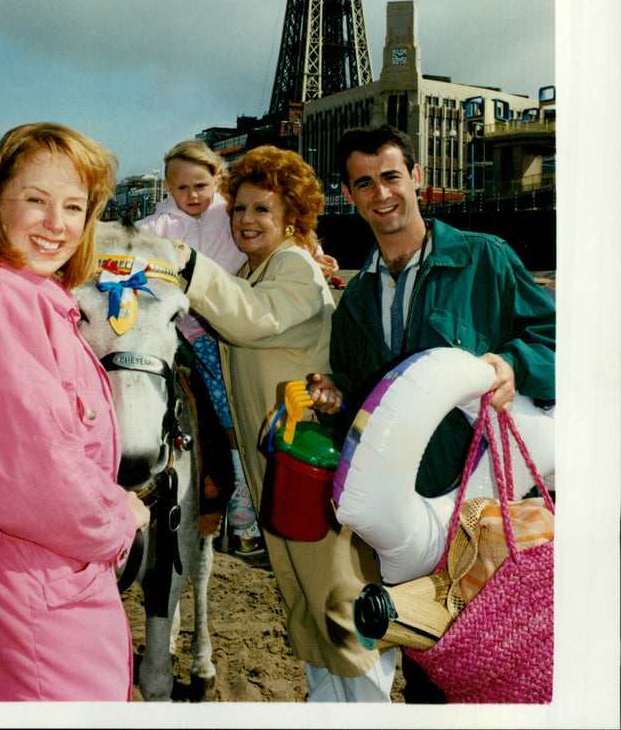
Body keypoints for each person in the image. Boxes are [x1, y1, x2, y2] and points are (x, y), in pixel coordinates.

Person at [308, 123, 556, 701]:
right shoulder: (355, 302)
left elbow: (557, 341)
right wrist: (335, 396)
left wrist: (512, 363)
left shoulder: (484, 259)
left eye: (391, 176)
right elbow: (361, 414)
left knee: (514, 660)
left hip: (494, 516)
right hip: (414, 527)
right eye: (364, 183)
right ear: (348, 195)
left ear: (416, 177)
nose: (381, 194)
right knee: (431, 673)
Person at [0, 123, 150, 701]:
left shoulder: (21, 293)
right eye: (36, 200)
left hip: (27, 587)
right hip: (28, 604)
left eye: (74, 207)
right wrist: (119, 518)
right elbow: (36, 477)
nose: (57, 223)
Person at [172, 146, 396, 703]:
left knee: (334, 588)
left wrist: (187, 264)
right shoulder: (256, 268)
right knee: (305, 593)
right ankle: (330, 700)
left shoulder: (293, 265)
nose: (246, 220)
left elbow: (251, 320)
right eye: (239, 208)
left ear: (291, 217)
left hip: (309, 462)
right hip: (284, 463)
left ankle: (365, 703)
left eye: (262, 209)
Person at [137, 139, 263, 552]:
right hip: (187, 329)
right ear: (168, 188)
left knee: (241, 402)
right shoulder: (157, 227)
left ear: (217, 180)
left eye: (200, 186)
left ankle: (243, 482)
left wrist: (318, 254)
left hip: (233, 319)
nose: (192, 195)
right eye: (181, 188)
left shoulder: (232, 215)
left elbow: (276, 235)